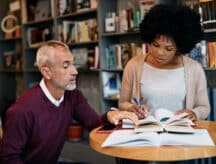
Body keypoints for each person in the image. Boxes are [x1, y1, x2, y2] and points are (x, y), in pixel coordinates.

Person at [0, 40, 138, 164]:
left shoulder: (73, 95)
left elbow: (94, 124)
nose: (75, 71)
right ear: (47, 72)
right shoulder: (21, 110)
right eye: (66, 66)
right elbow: (8, 158)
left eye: (73, 64)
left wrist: (109, 116)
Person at [119, 4, 210, 122]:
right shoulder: (133, 65)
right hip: (146, 131)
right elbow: (122, 103)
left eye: (169, 49)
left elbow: (204, 107)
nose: (160, 53)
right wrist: (132, 107)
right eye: (155, 45)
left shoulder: (195, 69)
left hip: (181, 132)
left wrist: (194, 113)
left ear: (179, 47)